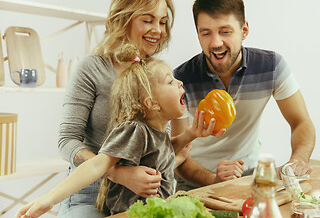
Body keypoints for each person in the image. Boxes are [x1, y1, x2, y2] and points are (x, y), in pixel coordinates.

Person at [16, 44, 219, 218]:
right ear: (152, 102)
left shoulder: (157, 133)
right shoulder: (135, 130)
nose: (180, 82)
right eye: (170, 81)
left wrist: (191, 133)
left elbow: (161, 152)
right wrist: (48, 199)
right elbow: (96, 165)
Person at [171, 0, 316, 191]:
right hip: (195, 187)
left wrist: (297, 161)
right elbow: (178, 153)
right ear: (198, 34)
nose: (216, 43)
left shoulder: (272, 66)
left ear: (244, 30)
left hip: (251, 180)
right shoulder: (179, 80)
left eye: (225, 31)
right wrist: (214, 180)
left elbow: (301, 122)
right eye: (206, 33)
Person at [56, 0, 176, 217]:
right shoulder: (92, 68)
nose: (158, 30)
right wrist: (118, 173)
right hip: (89, 193)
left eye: (162, 22)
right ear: (124, 19)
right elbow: (67, 141)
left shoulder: (157, 75)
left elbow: (161, 144)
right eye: (148, 20)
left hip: (139, 197)